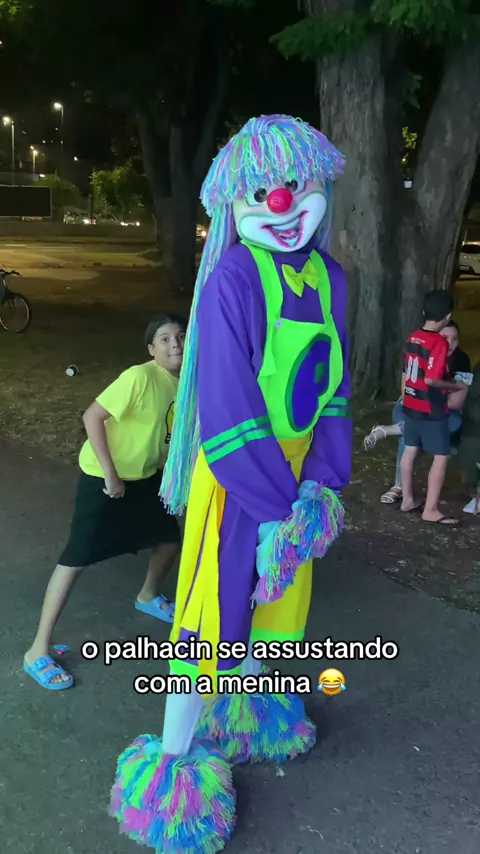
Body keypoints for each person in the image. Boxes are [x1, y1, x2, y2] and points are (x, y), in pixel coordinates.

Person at [109, 115, 352, 854]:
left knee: (277, 606)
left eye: (294, 186)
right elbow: (227, 407)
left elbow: (334, 395)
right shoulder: (234, 280)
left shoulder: (333, 279)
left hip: (296, 485)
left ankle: (245, 713)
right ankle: (171, 772)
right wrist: (276, 506)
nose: (280, 204)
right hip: (240, 484)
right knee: (210, 619)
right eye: (259, 193)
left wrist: (321, 487)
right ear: (231, 205)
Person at [23, 314, 186, 690]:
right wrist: (111, 475)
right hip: (105, 477)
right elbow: (92, 416)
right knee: (75, 559)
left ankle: (148, 595)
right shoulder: (139, 377)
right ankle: (37, 649)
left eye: (180, 336)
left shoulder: (186, 383)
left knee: (168, 540)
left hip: (145, 477)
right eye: (164, 339)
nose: (175, 343)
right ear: (151, 349)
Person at [363, 321, 472, 504]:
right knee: (413, 427)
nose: (451, 343)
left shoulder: (461, 360)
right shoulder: (420, 351)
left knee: (452, 423)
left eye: (455, 339)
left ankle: (391, 431)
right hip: (411, 407)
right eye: (445, 337)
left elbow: (456, 402)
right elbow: (406, 393)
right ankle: (399, 487)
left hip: (442, 412)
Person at [399, 290, 467, 525]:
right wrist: (454, 386)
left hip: (411, 403)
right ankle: (430, 509)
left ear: (423, 312)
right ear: (447, 317)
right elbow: (431, 379)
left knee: (410, 449)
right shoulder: (438, 342)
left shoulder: (413, 337)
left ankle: (407, 499)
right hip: (430, 408)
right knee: (441, 456)